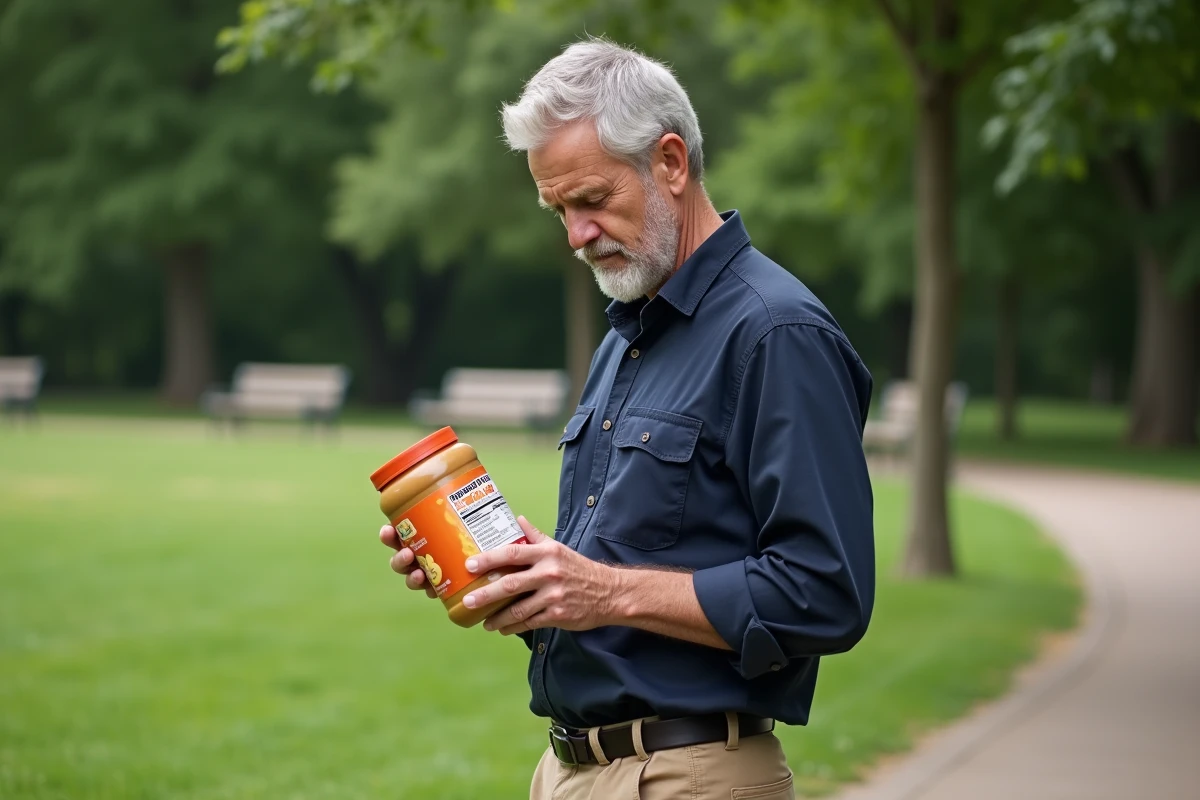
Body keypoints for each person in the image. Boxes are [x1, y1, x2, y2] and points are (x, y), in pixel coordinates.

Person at [379, 37, 875, 800]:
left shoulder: (776, 334)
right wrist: (528, 580)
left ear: (670, 163)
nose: (575, 234)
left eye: (591, 200)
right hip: (569, 772)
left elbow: (826, 592)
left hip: (690, 774)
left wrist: (603, 592)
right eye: (558, 209)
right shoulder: (631, 332)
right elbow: (617, 568)